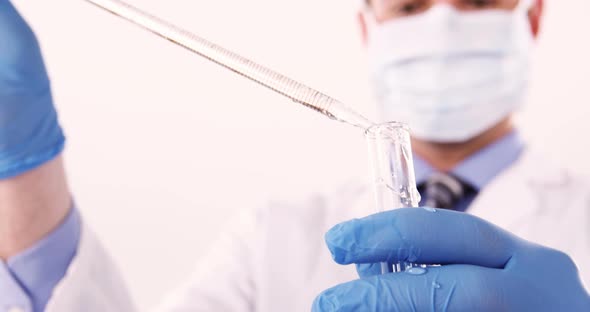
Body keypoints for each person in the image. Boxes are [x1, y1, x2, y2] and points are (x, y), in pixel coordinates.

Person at [0, 0, 588, 311]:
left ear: (532, 17)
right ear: (369, 29)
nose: (443, 24)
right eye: (409, 6)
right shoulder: (273, 239)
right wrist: (25, 176)